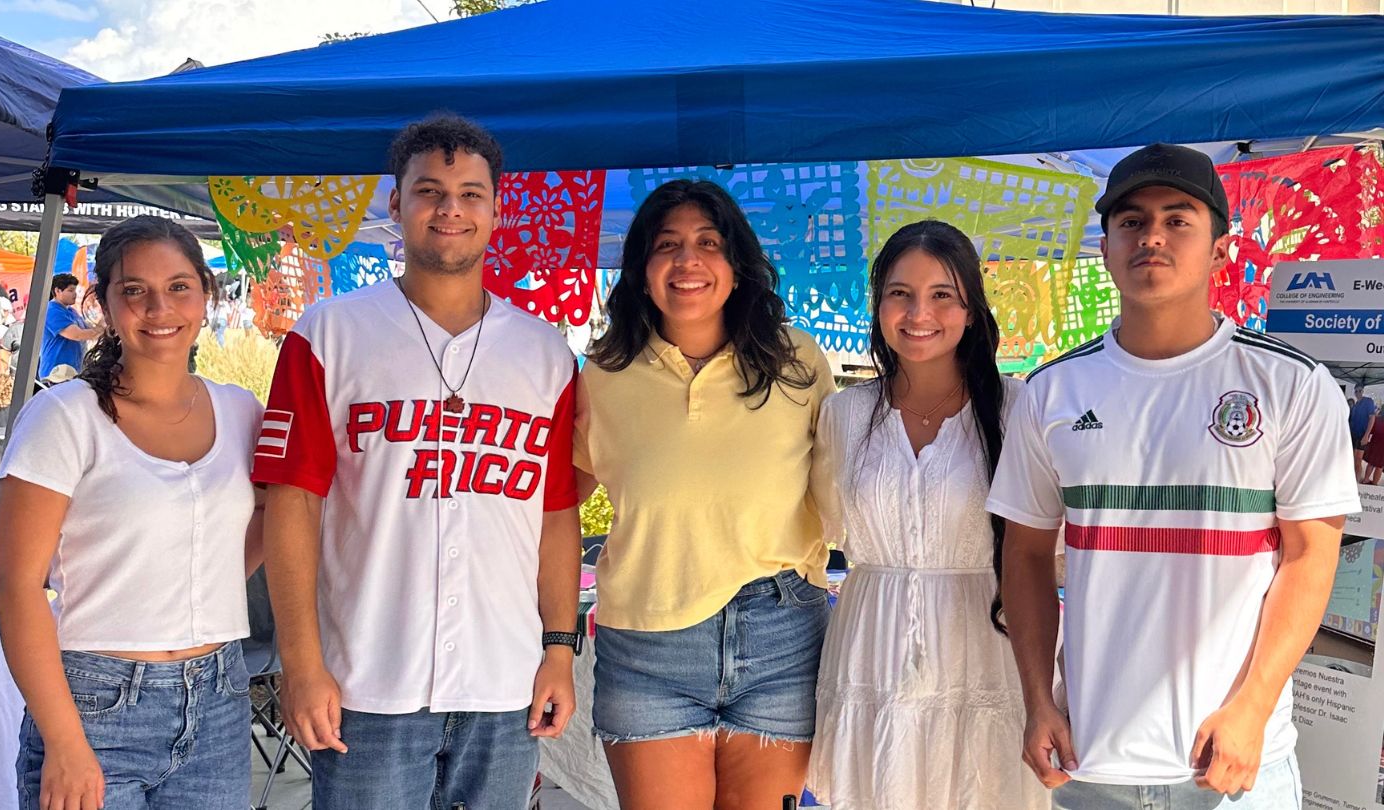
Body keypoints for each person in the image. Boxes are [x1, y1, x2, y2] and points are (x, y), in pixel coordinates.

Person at [988, 143, 1359, 809]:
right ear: (1105, 247)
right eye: (1130, 221)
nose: (1151, 236)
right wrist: (1039, 699)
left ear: (1220, 250)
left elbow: (1310, 558)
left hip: (1236, 762)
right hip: (1091, 759)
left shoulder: (1290, 386)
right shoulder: (1051, 393)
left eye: (1178, 219)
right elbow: (1025, 554)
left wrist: (1252, 708)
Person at [254, 114, 581, 810]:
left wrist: (559, 648)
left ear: (497, 208)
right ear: (396, 203)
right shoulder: (330, 334)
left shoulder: (545, 352)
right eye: (429, 191)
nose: (450, 210)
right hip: (369, 682)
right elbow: (290, 502)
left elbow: (556, 513)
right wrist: (301, 663)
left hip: (505, 682)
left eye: (469, 193)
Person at [574, 179, 836, 808]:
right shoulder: (602, 375)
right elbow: (558, 503)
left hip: (782, 635)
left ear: (737, 266)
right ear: (640, 272)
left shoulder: (798, 361)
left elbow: (848, 489)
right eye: (667, 245)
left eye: (707, 242)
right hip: (647, 646)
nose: (687, 261)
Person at [0, 215, 266, 810]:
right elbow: (14, 585)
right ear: (106, 305)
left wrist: (192, 591)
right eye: (134, 290)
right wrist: (64, 743)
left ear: (205, 294)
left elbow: (269, 517)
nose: (159, 307)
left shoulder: (242, 411)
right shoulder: (64, 417)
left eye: (178, 287)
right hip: (94, 703)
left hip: (218, 696)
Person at [808, 220, 1047, 810]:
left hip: (987, 642)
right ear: (878, 305)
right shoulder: (843, 414)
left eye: (942, 294)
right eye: (900, 293)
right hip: (873, 644)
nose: (919, 313)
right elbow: (822, 526)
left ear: (971, 309)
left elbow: (1046, 548)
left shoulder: (1019, 407)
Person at [39, 273, 103, 378]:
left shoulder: (71, 311)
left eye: (75, 290)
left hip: (71, 372)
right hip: (55, 374)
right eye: (70, 290)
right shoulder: (52, 311)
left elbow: (90, 328)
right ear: (57, 291)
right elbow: (77, 335)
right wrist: (103, 331)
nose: (75, 294)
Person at [1350, 382, 1375, 482]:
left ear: (1363, 391)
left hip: (1362, 435)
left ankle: (1356, 482)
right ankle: (1353, 480)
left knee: (1358, 460)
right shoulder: (1356, 404)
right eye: (1356, 391)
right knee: (1354, 459)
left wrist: (1366, 435)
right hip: (1353, 435)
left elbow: (1372, 418)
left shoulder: (1368, 401)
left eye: (1360, 390)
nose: (1358, 392)